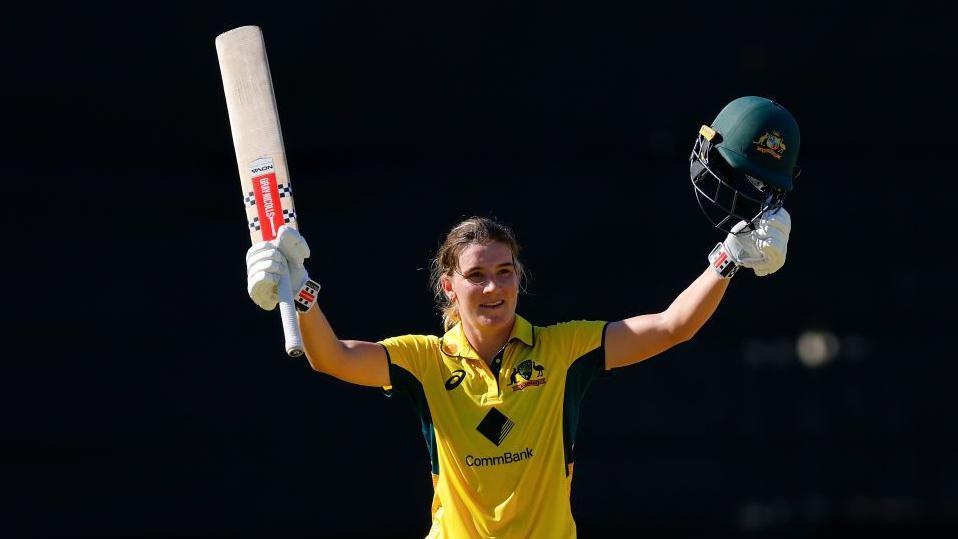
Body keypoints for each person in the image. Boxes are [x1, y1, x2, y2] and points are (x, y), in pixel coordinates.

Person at [243, 96, 800, 538]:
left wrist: (728, 260)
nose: (493, 287)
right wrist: (301, 294)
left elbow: (672, 325)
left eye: (505, 272)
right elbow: (331, 357)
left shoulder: (561, 351)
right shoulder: (425, 361)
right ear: (449, 287)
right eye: (477, 275)